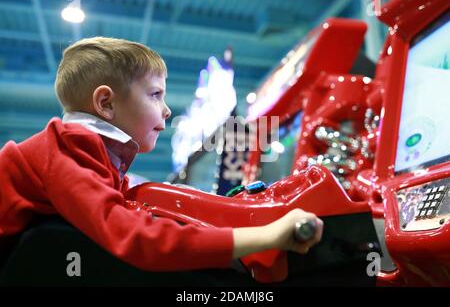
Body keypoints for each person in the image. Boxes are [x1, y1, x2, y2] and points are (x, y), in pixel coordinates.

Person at [0, 37, 323, 275]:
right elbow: (134, 238)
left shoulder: (87, 151)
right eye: (155, 94)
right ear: (106, 104)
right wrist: (266, 235)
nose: (167, 110)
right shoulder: (70, 148)